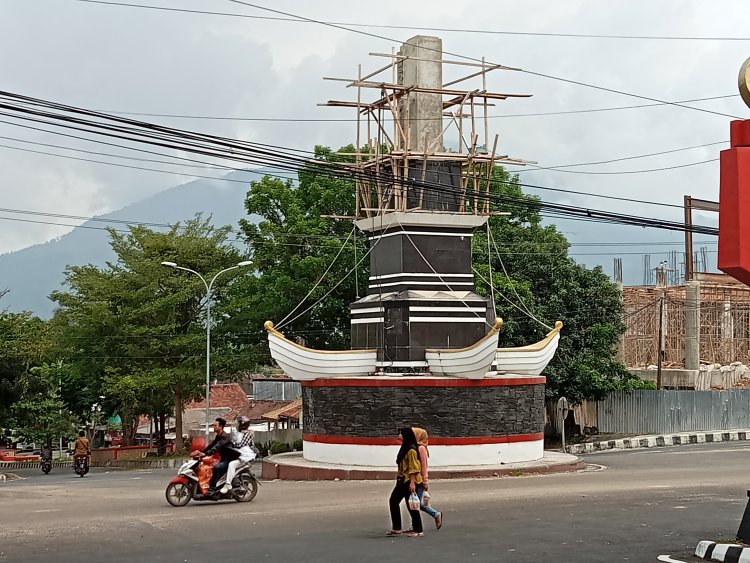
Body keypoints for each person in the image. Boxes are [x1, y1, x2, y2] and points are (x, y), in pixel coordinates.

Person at [386, 427, 424, 538]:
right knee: (397, 502)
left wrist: (412, 483)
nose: (399, 436)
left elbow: (414, 467)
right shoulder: (405, 447)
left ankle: (418, 529)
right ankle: (397, 528)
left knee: (409, 504)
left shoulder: (411, 450)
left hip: (409, 480)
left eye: (401, 434)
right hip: (402, 479)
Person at [194, 418, 238, 495]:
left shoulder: (225, 437)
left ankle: (212, 489)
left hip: (229, 459)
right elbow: (212, 445)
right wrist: (201, 452)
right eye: (213, 425)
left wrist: (205, 454)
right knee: (206, 467)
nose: (213, 427)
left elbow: (216, 447)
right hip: (223, 458)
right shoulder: (218, 436)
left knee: (216, 468)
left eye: (215, 425)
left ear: (221, 427)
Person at [412, 427, 443, 530]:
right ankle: (415, 525)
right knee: (413, 502)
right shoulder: (415, 447)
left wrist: (425, 481)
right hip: (416, 479)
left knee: (417, 503)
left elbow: (424, 466)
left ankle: (435, 514)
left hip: (419, 480)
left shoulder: (421, 448)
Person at [220, 416, 256, 494]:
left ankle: (228, 484)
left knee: (231, 465)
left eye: (237, 423)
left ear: (242, 425)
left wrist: (231, 442)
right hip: (236, 453)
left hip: (244, 455)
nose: (236, 425)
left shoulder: (248, 434)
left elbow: (239, 445)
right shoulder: (236, 433)